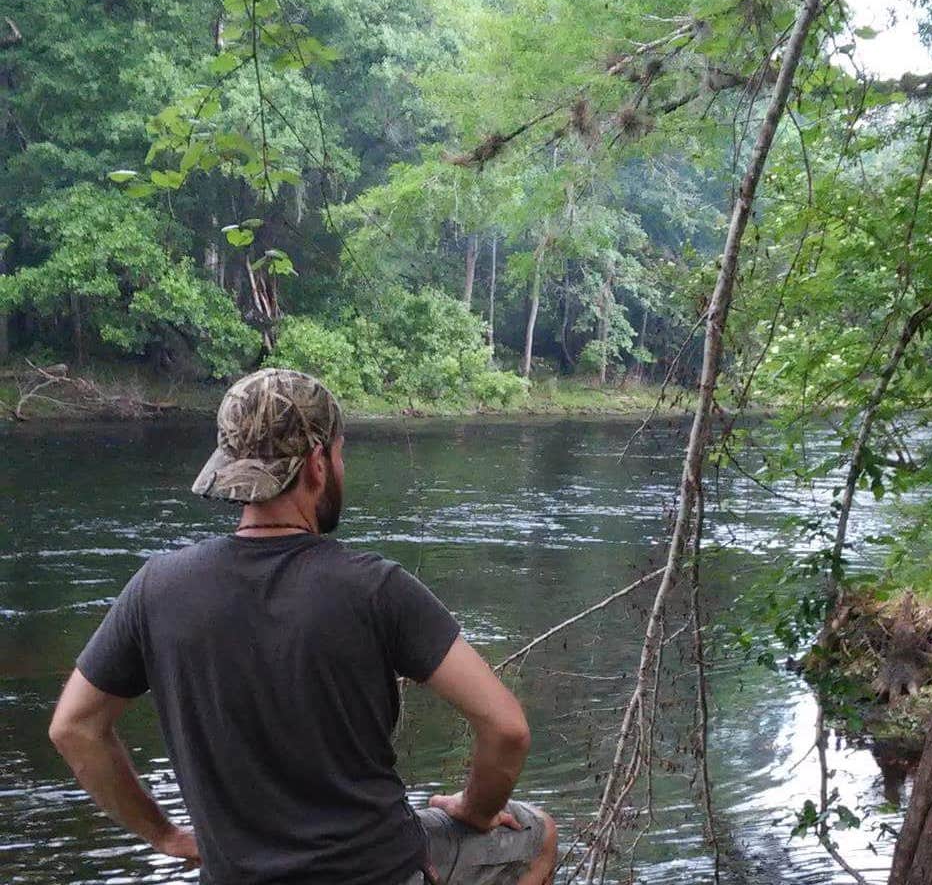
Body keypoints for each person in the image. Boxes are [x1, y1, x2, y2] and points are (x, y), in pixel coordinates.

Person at [49, 367, 557, 885]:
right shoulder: (376, 588)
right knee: (537, 837)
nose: (340, 466)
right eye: (339, 453)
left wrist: (165, 836)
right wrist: (474, 809)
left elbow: (75, 727)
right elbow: (506, 728)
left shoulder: (154, 588)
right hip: (379, 872)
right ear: (317, 463)